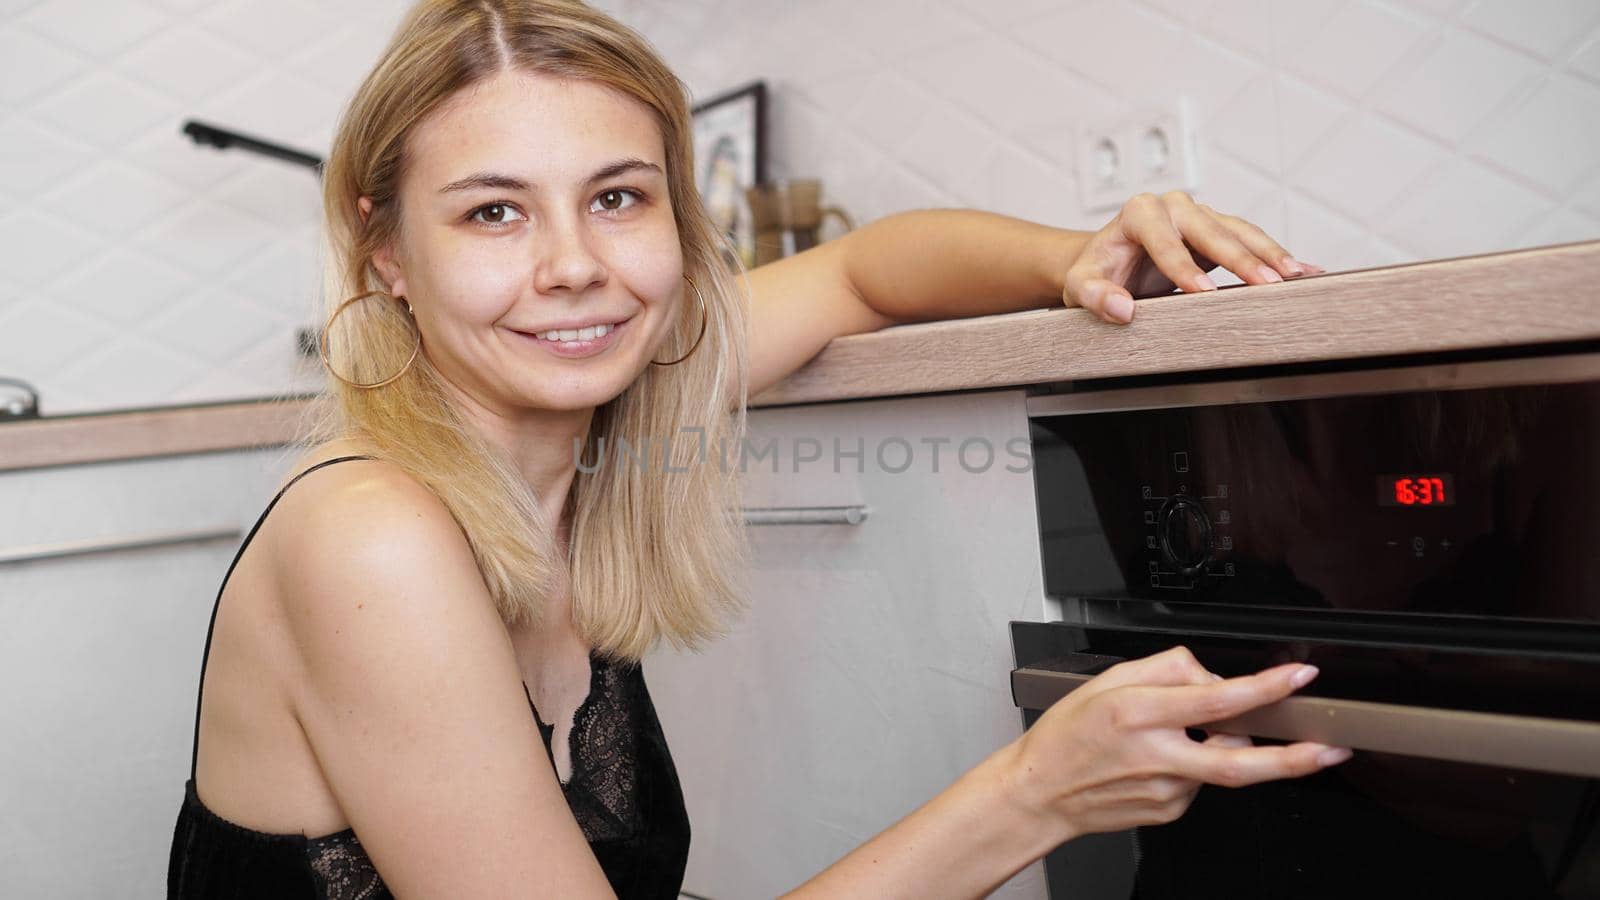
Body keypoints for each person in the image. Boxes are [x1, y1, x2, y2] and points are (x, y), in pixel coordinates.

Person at [165, 1, 1343, 897]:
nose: (574, 263)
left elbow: (861, 269)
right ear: (385, 253)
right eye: (493, 211)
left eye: (618, 198)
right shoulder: (372, 541)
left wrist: (1075, 253)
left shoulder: (617, 405)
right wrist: (1032, 793)